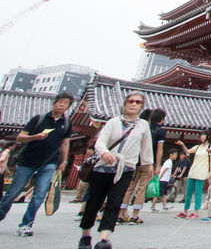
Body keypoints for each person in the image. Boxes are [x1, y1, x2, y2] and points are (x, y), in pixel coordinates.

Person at [78, 91, 154, 249]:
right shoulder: (113, 122)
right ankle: (85, 236)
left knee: (114, 203)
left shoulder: (143, 126)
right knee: (94, 203)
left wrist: (149, 165)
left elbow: (146, 147)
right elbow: (100, 142)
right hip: (102, 168)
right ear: (125, 104)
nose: (133, 104)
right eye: (131, 101)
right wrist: (105, 153)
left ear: (141, 106)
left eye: (138, 102)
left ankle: (103, 239)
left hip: (125, 169)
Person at [0, 92, 73, 238]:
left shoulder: (66, 123)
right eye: (59, 101)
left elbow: (65, 143)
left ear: (68, 107)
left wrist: (64, 161)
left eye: (65, 103)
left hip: (49, 163)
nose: (61, 104)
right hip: (28, 161)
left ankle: (26, 224)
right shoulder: (38, 119)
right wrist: (35, 137)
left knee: (39, 195)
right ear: (54, 103)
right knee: (12, 193)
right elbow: (20, 137)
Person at [119, 108, 166, 224]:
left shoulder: (144, 128)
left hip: (135, 161)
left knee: (129, 187)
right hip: (148, 162)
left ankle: (121, 213)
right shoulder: (160, 131)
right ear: (161, 119)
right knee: (142, 189)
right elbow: (159, 150)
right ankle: (135, 216)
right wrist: (158, 165)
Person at [175, 132, 211, 219]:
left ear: (208, 136)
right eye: (201, 135)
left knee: (198, 193)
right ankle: (185, 211)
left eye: (204, 134)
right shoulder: (198, 147)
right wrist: (182, 144)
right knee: (188, 192)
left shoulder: (210, 147)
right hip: (193, 170)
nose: (202, 136)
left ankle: (196, 212)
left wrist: (210, 172)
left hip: (202, 171)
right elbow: (188, 151)